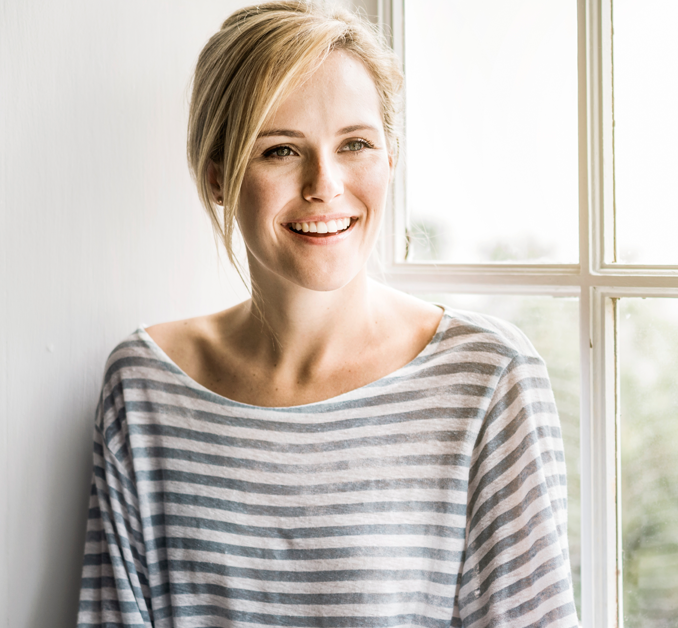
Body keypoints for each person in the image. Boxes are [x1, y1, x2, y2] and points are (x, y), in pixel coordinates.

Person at [75, 2, 578, 625]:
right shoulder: (144, 385)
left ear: (390, 159)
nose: (325, 183)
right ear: (216, 178)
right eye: (281, 150)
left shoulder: (488, 377)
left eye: (356, 144)